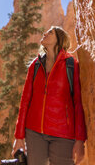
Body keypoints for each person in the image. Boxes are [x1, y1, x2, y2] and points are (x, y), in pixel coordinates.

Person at [12, 26, 87, 165]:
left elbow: (78, 103)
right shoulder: (35, 65)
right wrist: (19, 136)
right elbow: (25, 101)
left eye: (50, 32)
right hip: (34, 132)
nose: (45, 33)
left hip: (63, 133)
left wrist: (80, 139)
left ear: (59, 39)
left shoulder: (71, 65)